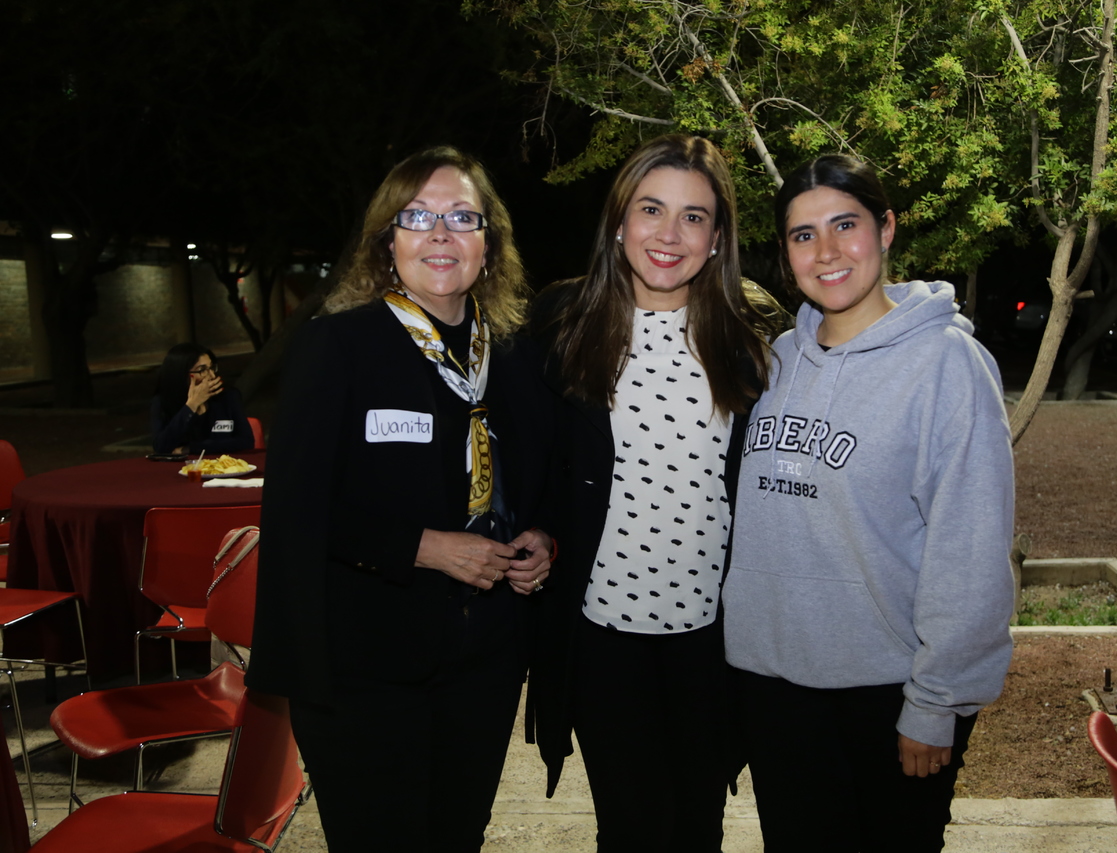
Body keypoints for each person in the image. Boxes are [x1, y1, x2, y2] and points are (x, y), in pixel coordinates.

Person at [246, 146, 556, 852]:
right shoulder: (338, 345)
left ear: (489, 242)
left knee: (457, 837)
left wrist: (543, 537)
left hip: (486, 661)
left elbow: (546, 478)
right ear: (388, 239)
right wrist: (425, 547)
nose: (441, 234)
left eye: (462, 217)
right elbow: (297, 509)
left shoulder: (516, 354)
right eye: (417, 216)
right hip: (365, 663)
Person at [721, 153, 1016, 852]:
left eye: (845, 225)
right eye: (803, 234)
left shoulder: (947, 365)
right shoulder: (776, 362)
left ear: (885, 229)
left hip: (888, 693)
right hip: (773, 690)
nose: (826, 251)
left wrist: (936, 702)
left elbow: (970, 550)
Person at [526, 134, 786, 852]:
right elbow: (531, 460)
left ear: (718, 237)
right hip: (601, 636)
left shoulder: (756, 331)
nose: (669, 234)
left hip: (715, 638)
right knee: (631, 829)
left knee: (699, 828)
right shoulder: (560, 322)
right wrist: (535, 531)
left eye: (693, 216)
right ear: (619, 221)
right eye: (651, 209)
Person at [149, 343, 253, 455]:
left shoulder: (228, 396)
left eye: (211, 367)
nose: (212, 375)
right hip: (184, 466)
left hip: (222, 464)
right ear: (181, 374)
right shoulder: (162, 401)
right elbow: (161, 447)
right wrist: (191, 406)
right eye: (202, 370)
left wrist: (190, 448)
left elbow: (246, 442)